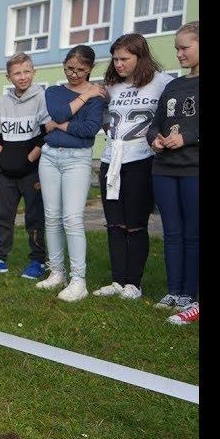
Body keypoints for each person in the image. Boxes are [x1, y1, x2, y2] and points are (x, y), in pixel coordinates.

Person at [92, 34, 174, 300]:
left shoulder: (162, 82)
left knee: (135, 224)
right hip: (110, 160)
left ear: (141, 57)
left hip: (141, 160)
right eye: (115, 59)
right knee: (114, 223)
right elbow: (105, 116)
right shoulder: (111, 86)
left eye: (125, 59)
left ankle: (133, 284)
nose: (118, 64)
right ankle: (117, 280)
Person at [35, 45, 106, 302]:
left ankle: (79, 279)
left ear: (90, 69)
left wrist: (57, 126)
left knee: (72, 218)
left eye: (81, 70)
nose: (74, 74)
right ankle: (57, 273)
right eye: (69, 68)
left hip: (78, 159)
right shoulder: (54, 91)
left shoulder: (99, 97)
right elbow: (59, 112)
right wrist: (85, 96)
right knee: (51, 216)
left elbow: (89, 129)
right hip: (50, 156)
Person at [0, 53, 48, 279]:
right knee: (3, 214)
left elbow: (44, 134)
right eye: (17, 73)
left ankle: (38, 261)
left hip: (32, 171)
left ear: (34, 72)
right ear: (9, 77)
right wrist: (2, 158)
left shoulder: (42, 98)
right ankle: (0, 259)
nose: (23, 77)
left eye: (27, 71)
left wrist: (29, 159)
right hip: (7, 172)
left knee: (34, 217)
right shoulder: (2, 102)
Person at [149, 21, 199, 325]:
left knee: (193, 233)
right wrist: (153, 137)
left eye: (184, 48)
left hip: (193, 170)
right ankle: (174, 290)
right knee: (172, 232)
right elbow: (156, 121)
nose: (178, 54)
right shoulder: (172, 85)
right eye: (176, 48)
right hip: (164, 169)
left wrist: (188, 138)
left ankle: (189, 293)